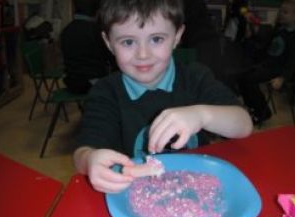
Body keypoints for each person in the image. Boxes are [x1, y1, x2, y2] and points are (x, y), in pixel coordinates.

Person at [73, 0, 253, 193]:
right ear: (109, 43)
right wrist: (91, 160)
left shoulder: (195, 77)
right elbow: (82, 153)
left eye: (157, 39)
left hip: (196, 189)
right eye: (128, 42)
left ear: (177, 36)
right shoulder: (105, 92)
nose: (143, 54)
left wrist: (202, 115)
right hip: (134, 192)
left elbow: (244, 125)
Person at [237, 0, 295, 124]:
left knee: (249, 80)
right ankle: (252, 106)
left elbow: (294, 62)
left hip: (279, 71)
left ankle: (261, 112)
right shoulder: (280, 30)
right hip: (267, 65)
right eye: (281, 11)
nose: (281, 14)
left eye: (285, 12)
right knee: (242, 75)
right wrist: (253, 33)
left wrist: (283, 77)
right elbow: (267, 48)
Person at [60, 0, 114, 94]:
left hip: (72, 83)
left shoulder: (66, 30)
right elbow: (110, 57)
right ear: (97, 13)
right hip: (93, 83)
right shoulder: (96, 31)